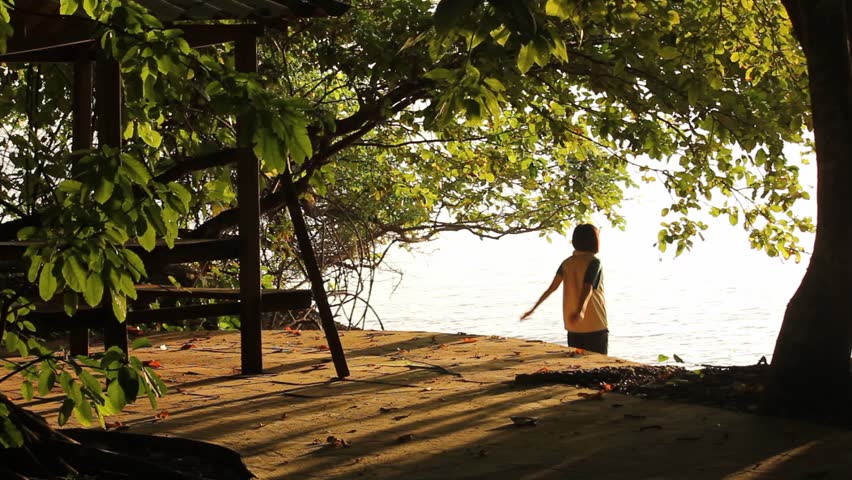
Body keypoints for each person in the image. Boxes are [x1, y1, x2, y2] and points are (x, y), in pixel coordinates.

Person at [520, 224, 608, 354]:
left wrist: (533, 309)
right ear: (594, 241)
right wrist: (580, 311)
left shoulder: (567, 263)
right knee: (599, 365)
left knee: (577, 367)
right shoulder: (594, 262)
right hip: (595, 324)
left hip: (573, 326)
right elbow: (587, 287)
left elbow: (551, 288)